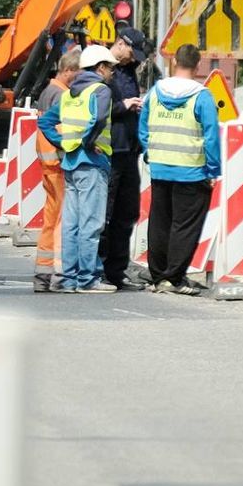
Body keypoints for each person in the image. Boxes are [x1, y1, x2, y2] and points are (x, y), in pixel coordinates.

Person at [137, 43, 221, 295]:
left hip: (161, 168)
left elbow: (143, 128)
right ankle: (174, 278)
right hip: (191, 171)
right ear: (197, 67)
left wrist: (150, 152)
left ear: (174, 62)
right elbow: (211, 137)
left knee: (160, 223)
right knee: (185, 225)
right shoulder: (201, 96)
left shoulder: (155, 92)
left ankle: (158, 275)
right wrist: (213, 169)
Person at [39, 45, 118, 294]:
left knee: (71, 224)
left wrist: (64, 143)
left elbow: (45, 121)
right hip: (93, 165)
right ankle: (87, 279)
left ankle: (66, 279)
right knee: (91, 224)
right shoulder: (100, 91)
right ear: (100, 67)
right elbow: (100, 119)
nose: (112, 73)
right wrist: (88, 142)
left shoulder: (69, 94)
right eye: (110, 68)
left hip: (70, 163)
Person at [98, 24, 148, 290]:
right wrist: (123, 106)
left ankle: (117, 270)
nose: (134, 59)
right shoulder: (100, 67)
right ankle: (100, 269)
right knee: (105, 213)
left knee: (126, 212)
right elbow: (96, 107)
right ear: (121, 44)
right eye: (132, 52)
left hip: (129, 149)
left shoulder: (127, 70)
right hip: (110, 150)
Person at [32, 48, 81, 292]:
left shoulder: (46, 92)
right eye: (78, 73)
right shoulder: (62, 96)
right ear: (69, 71)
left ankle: (43, 271)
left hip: (47, 165)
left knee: (50, 219)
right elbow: (64, 135)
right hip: (59, 165)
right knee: (63, 219)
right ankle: (61, 273)